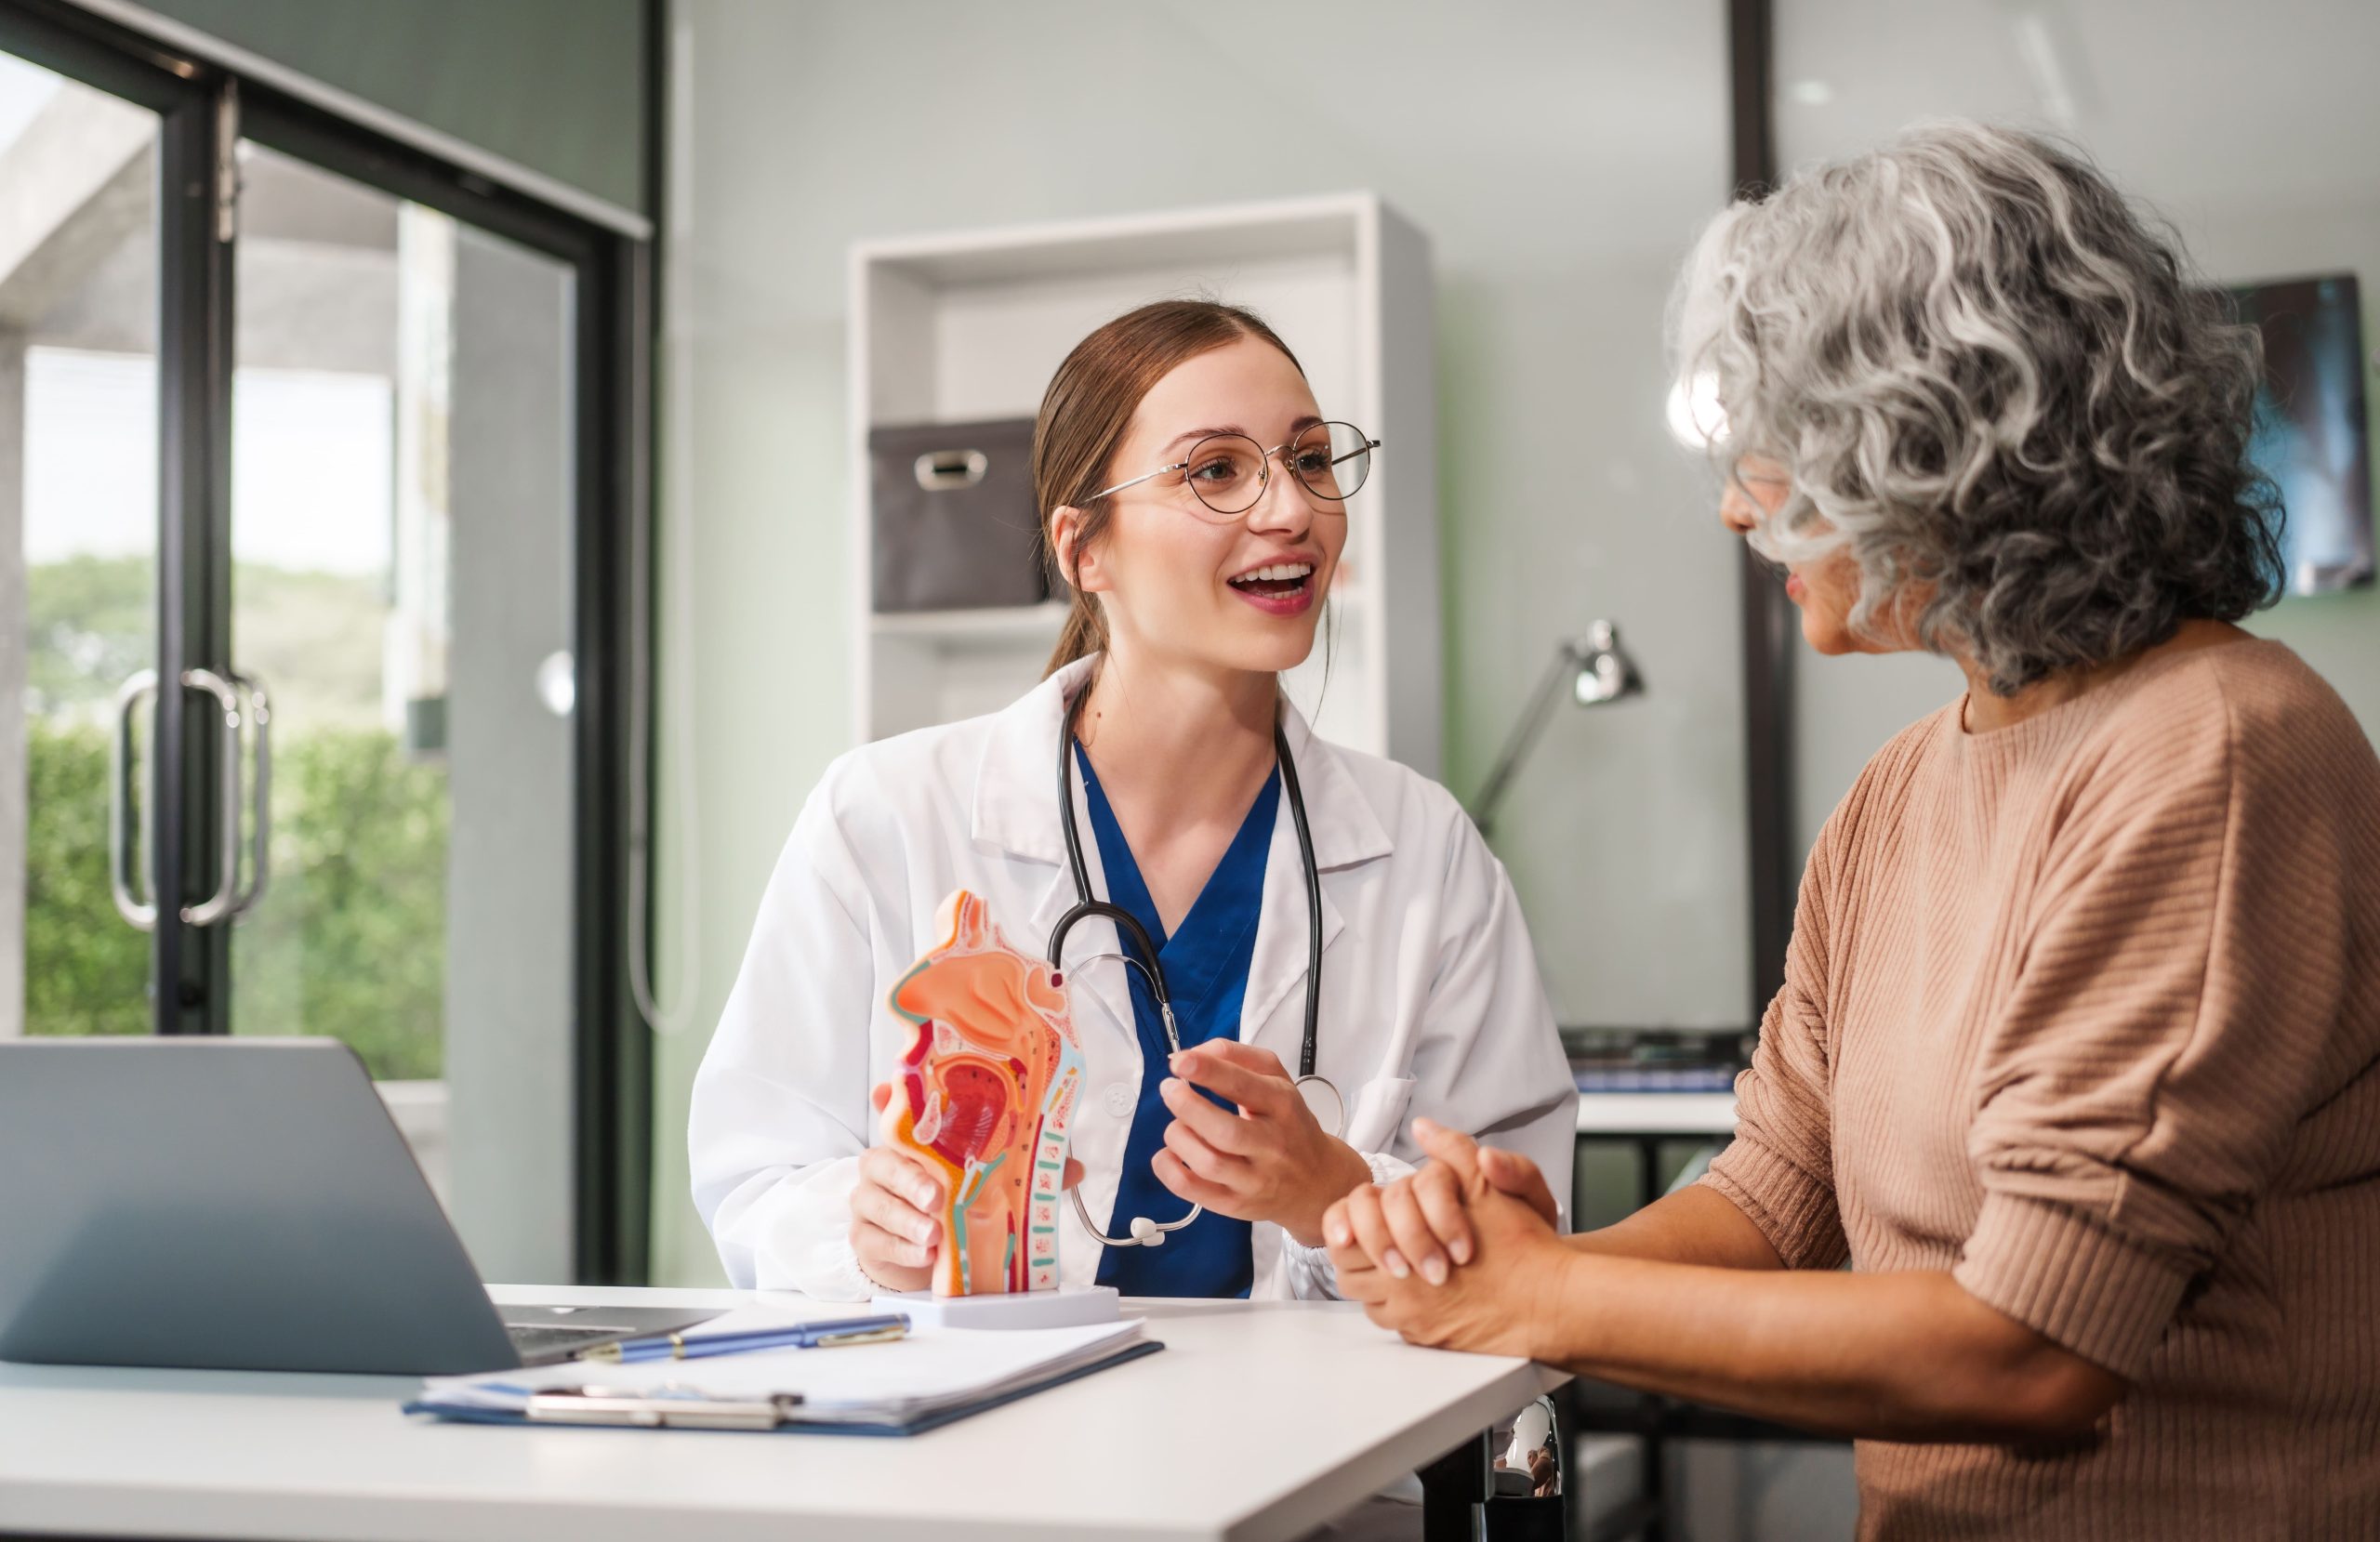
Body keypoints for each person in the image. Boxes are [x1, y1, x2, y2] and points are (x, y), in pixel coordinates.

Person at [1323, 123, 2380, 1539]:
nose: (1733, 505)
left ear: (1936, 448)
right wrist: (1539, 1255)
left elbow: (2035, 1347)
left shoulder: (2218, 748)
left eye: (1776, 451)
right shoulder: (1896, 792)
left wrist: (1545, 1297)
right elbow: (1779, 1185)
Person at [691, 299, 1573, 1302]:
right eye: (1216, 471)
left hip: (1322, 1449)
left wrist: (1332, 1192)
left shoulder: (1423, 852)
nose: (1289, 511)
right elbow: (754, 1181)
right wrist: (863, 1230)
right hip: (982, 1448)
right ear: (1083, 550)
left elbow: (1524, 1223)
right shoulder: (885, 817)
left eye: (1310, 460)